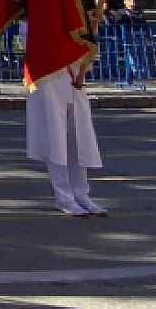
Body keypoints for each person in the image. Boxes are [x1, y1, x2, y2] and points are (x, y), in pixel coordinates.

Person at [24, 18, 106, 217]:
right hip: (50, 86)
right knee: (57, 143)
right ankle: (64, 197)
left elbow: (84, 61)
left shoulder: (73, 28)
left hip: (74, 87)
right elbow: (43, 51)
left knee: (78, 143)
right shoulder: (30, 27)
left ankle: (82, 195)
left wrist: (88, 40)